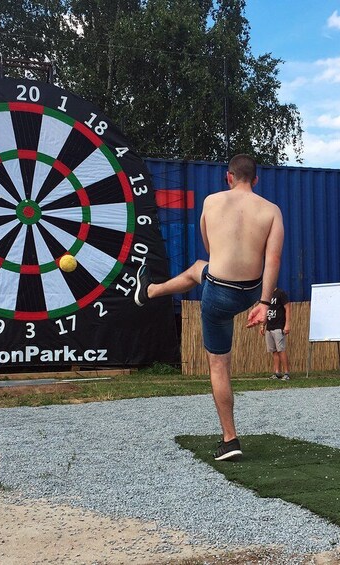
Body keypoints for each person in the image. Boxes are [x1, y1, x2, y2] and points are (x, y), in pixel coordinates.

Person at [134, 154, 284, 461]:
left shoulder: (211, 202)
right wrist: (264, 302)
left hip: (218, 293)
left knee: (219, 366)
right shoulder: (272, 211)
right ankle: (149, 290)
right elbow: (273, 260)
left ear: (228, 177)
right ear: (256, 180)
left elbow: (210, 246)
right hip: (251, 292)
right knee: (196, 269)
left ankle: (230, 438)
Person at [259, 287, 291, 380]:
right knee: (274, 351)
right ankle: (277, 373)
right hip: (269, 327)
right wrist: (263, 325)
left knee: (281, 349)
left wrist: (287, 324)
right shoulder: (267, 296)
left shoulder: (280, 293)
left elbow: (288, 307)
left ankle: (286, 373)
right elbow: (266, 311)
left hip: (278, 326)